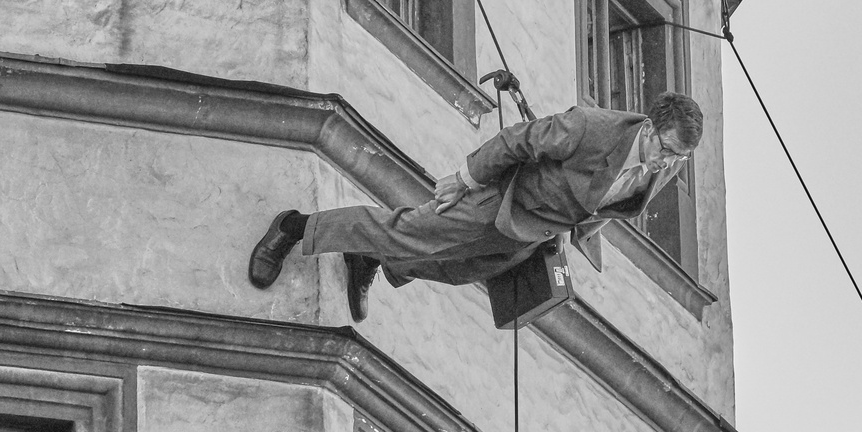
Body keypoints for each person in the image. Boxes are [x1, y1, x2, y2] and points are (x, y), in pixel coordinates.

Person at [247, 92, 704, 319]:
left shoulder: (666, 166)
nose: (666, 162)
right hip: (498, 204)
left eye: (677, 157)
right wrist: (463, 182)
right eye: (665, 149)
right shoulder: (591, 128)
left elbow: (611, 203)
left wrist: (575, 237)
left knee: (453, 271)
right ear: (649, 127)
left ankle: (370, 257)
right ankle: (294, 227)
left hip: (530, 235)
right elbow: (516, 140)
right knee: (405, 231)